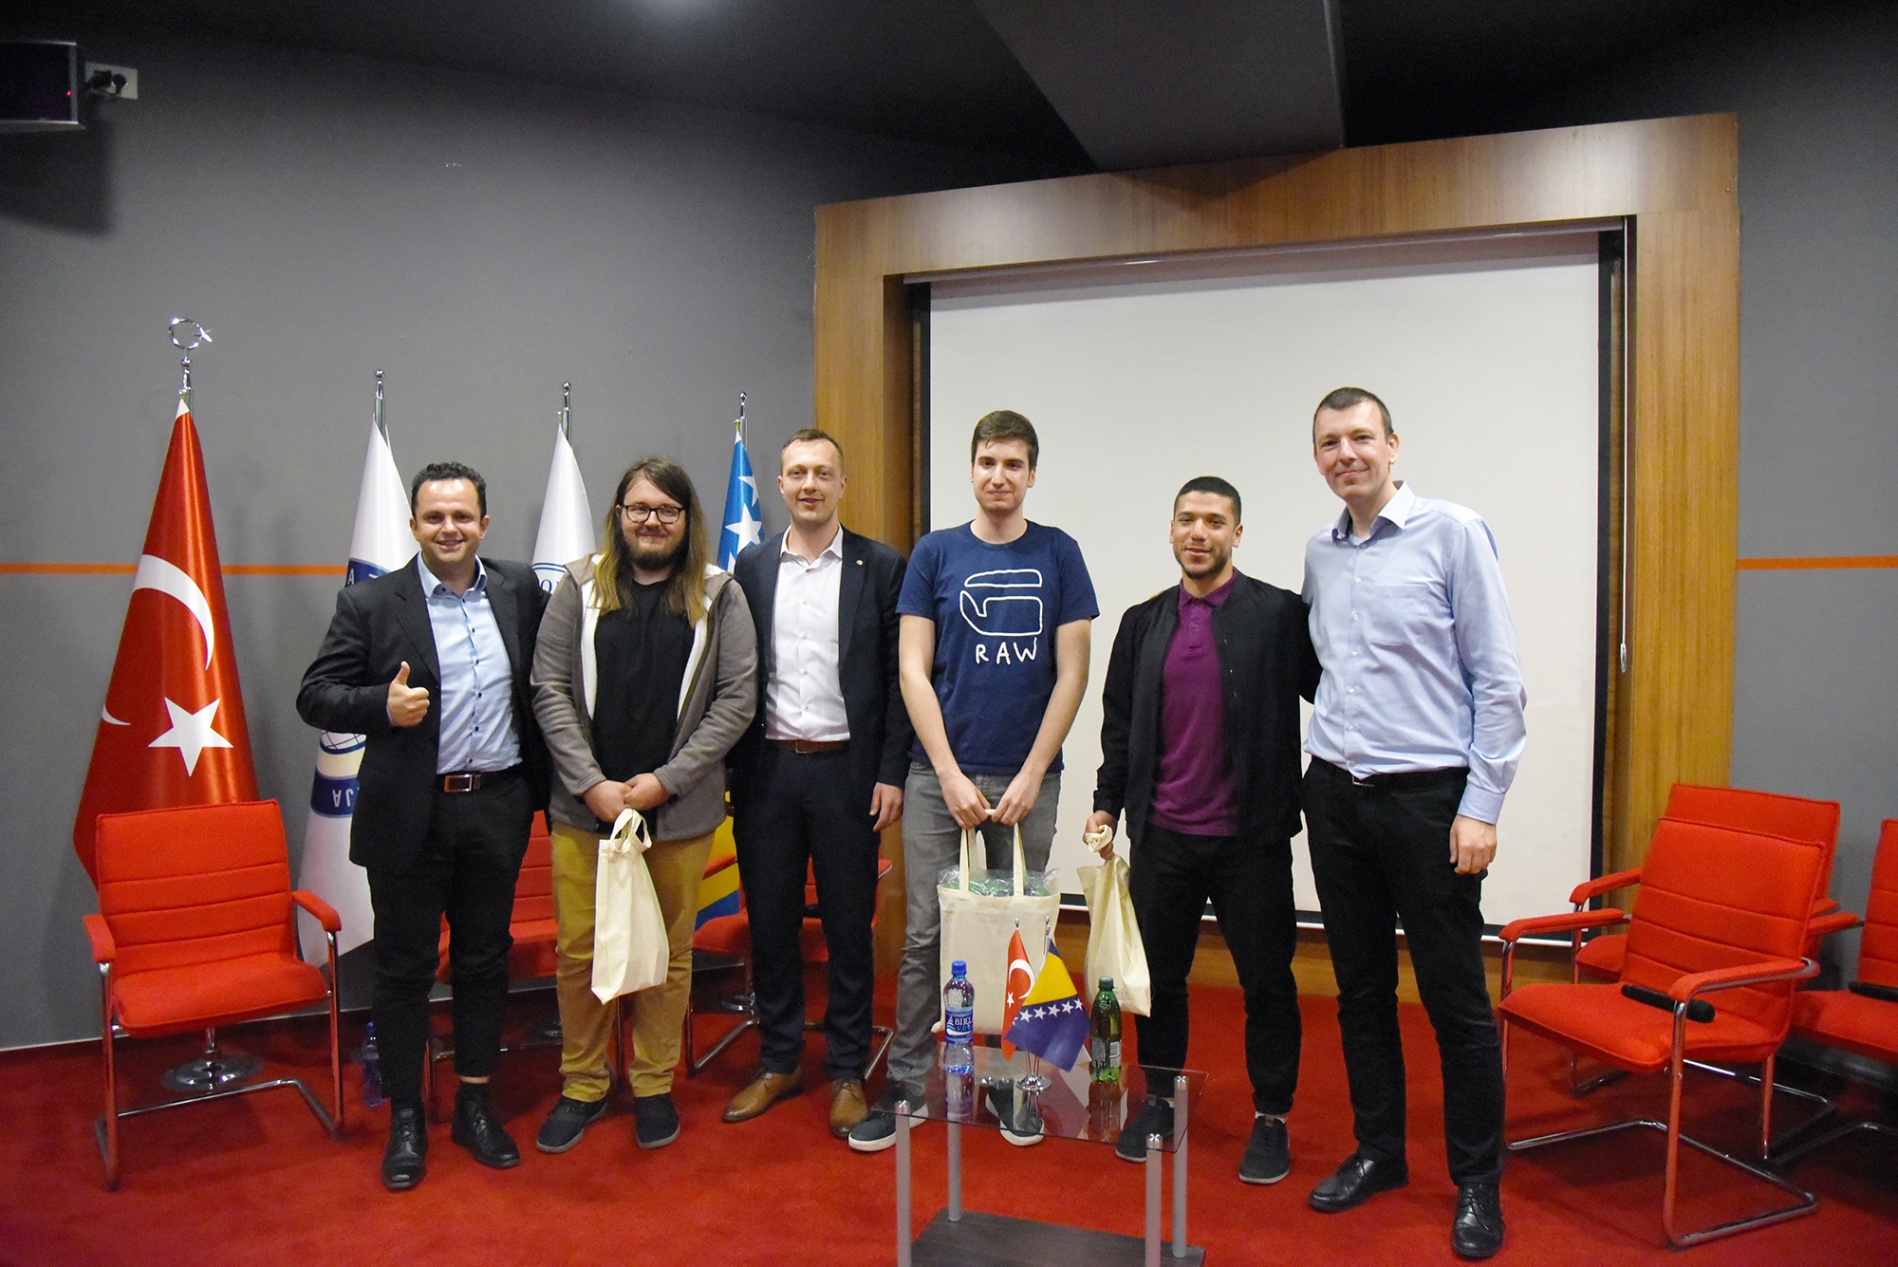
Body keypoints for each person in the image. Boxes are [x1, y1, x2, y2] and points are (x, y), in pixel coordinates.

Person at [1299, 388, 1525, 1261]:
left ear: (1393, 444)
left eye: (1361, 437)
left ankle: (1476, 1180)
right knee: (1359, 990)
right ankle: (1380, 1150)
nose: (1346, 453)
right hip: (1337, 795)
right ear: (1317, 457)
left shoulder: (1453, 532)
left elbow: (1497, 679)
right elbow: (1328, 670)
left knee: (1453, 998)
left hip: (1429, 801)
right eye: (1330, 442)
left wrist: (1482, 805)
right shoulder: (1321, 552)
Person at [297, 461, 550, 1192]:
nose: (449, 529)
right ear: (413, 525)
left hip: (497, 806)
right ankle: (407, 1114)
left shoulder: (519, 591)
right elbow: (315, 694)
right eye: (434, 517)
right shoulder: (371, 602)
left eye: (462, 516)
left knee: (483, 960)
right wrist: (379, 706)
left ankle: (475, 1100)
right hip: (411, 811)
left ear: (485, 525)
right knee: (405, 969)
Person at [849, 409, 1097, 1152]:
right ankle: (907, 1081)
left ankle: (1013, 1081)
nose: (999, 476)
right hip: (939, 781)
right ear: (971, 469)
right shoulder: (935, 552)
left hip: (1028, 781)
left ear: (1032, 473)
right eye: (987, 461)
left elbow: (1073, 673)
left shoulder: (1059, 552)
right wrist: (949, 773)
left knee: (1019, 935)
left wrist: (1031, 772)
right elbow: (912, 670)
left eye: (1013, 464)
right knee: (929, 933)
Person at [1084, 475, 1318, 1183]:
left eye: (1215, 521)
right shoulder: (1142, 623)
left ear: (1237, 534)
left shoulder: (1278, 615)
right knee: (1160, 979)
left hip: (1252, 840)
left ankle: (1271, 1117)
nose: (1198, 532)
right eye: (1187, 519)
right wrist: (1106, 804)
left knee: (1267, 982)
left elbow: (1334, 694)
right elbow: (1119, 726)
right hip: (1164, 837)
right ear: (1171, 529)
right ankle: (1160, 1098)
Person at [530, 457, 757, 1154]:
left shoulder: (720, 593)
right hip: (585, 810)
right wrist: (590, 783)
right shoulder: (577, 586)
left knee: (666, 953)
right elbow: (547, 688)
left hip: (677, 813)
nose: (651, 521)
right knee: (579, 952)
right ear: (619, 515)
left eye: (667, 509)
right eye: (639, 508)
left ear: (687, 520)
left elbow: (737, 699)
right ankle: (584, 1083)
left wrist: (667, 780)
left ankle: (654, 1083)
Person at [724, 429, 913, 1139]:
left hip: (848, 774)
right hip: (768, 771)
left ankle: (845, 1070)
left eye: (822, 473)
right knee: (771, 925)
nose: (810, 484)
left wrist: (891, 771)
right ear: (779, 485)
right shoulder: (750, 566)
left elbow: (898, 680)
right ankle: (778, 1060)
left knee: (847, 929)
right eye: (797, 473)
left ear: (842, 485)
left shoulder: (881, 565)